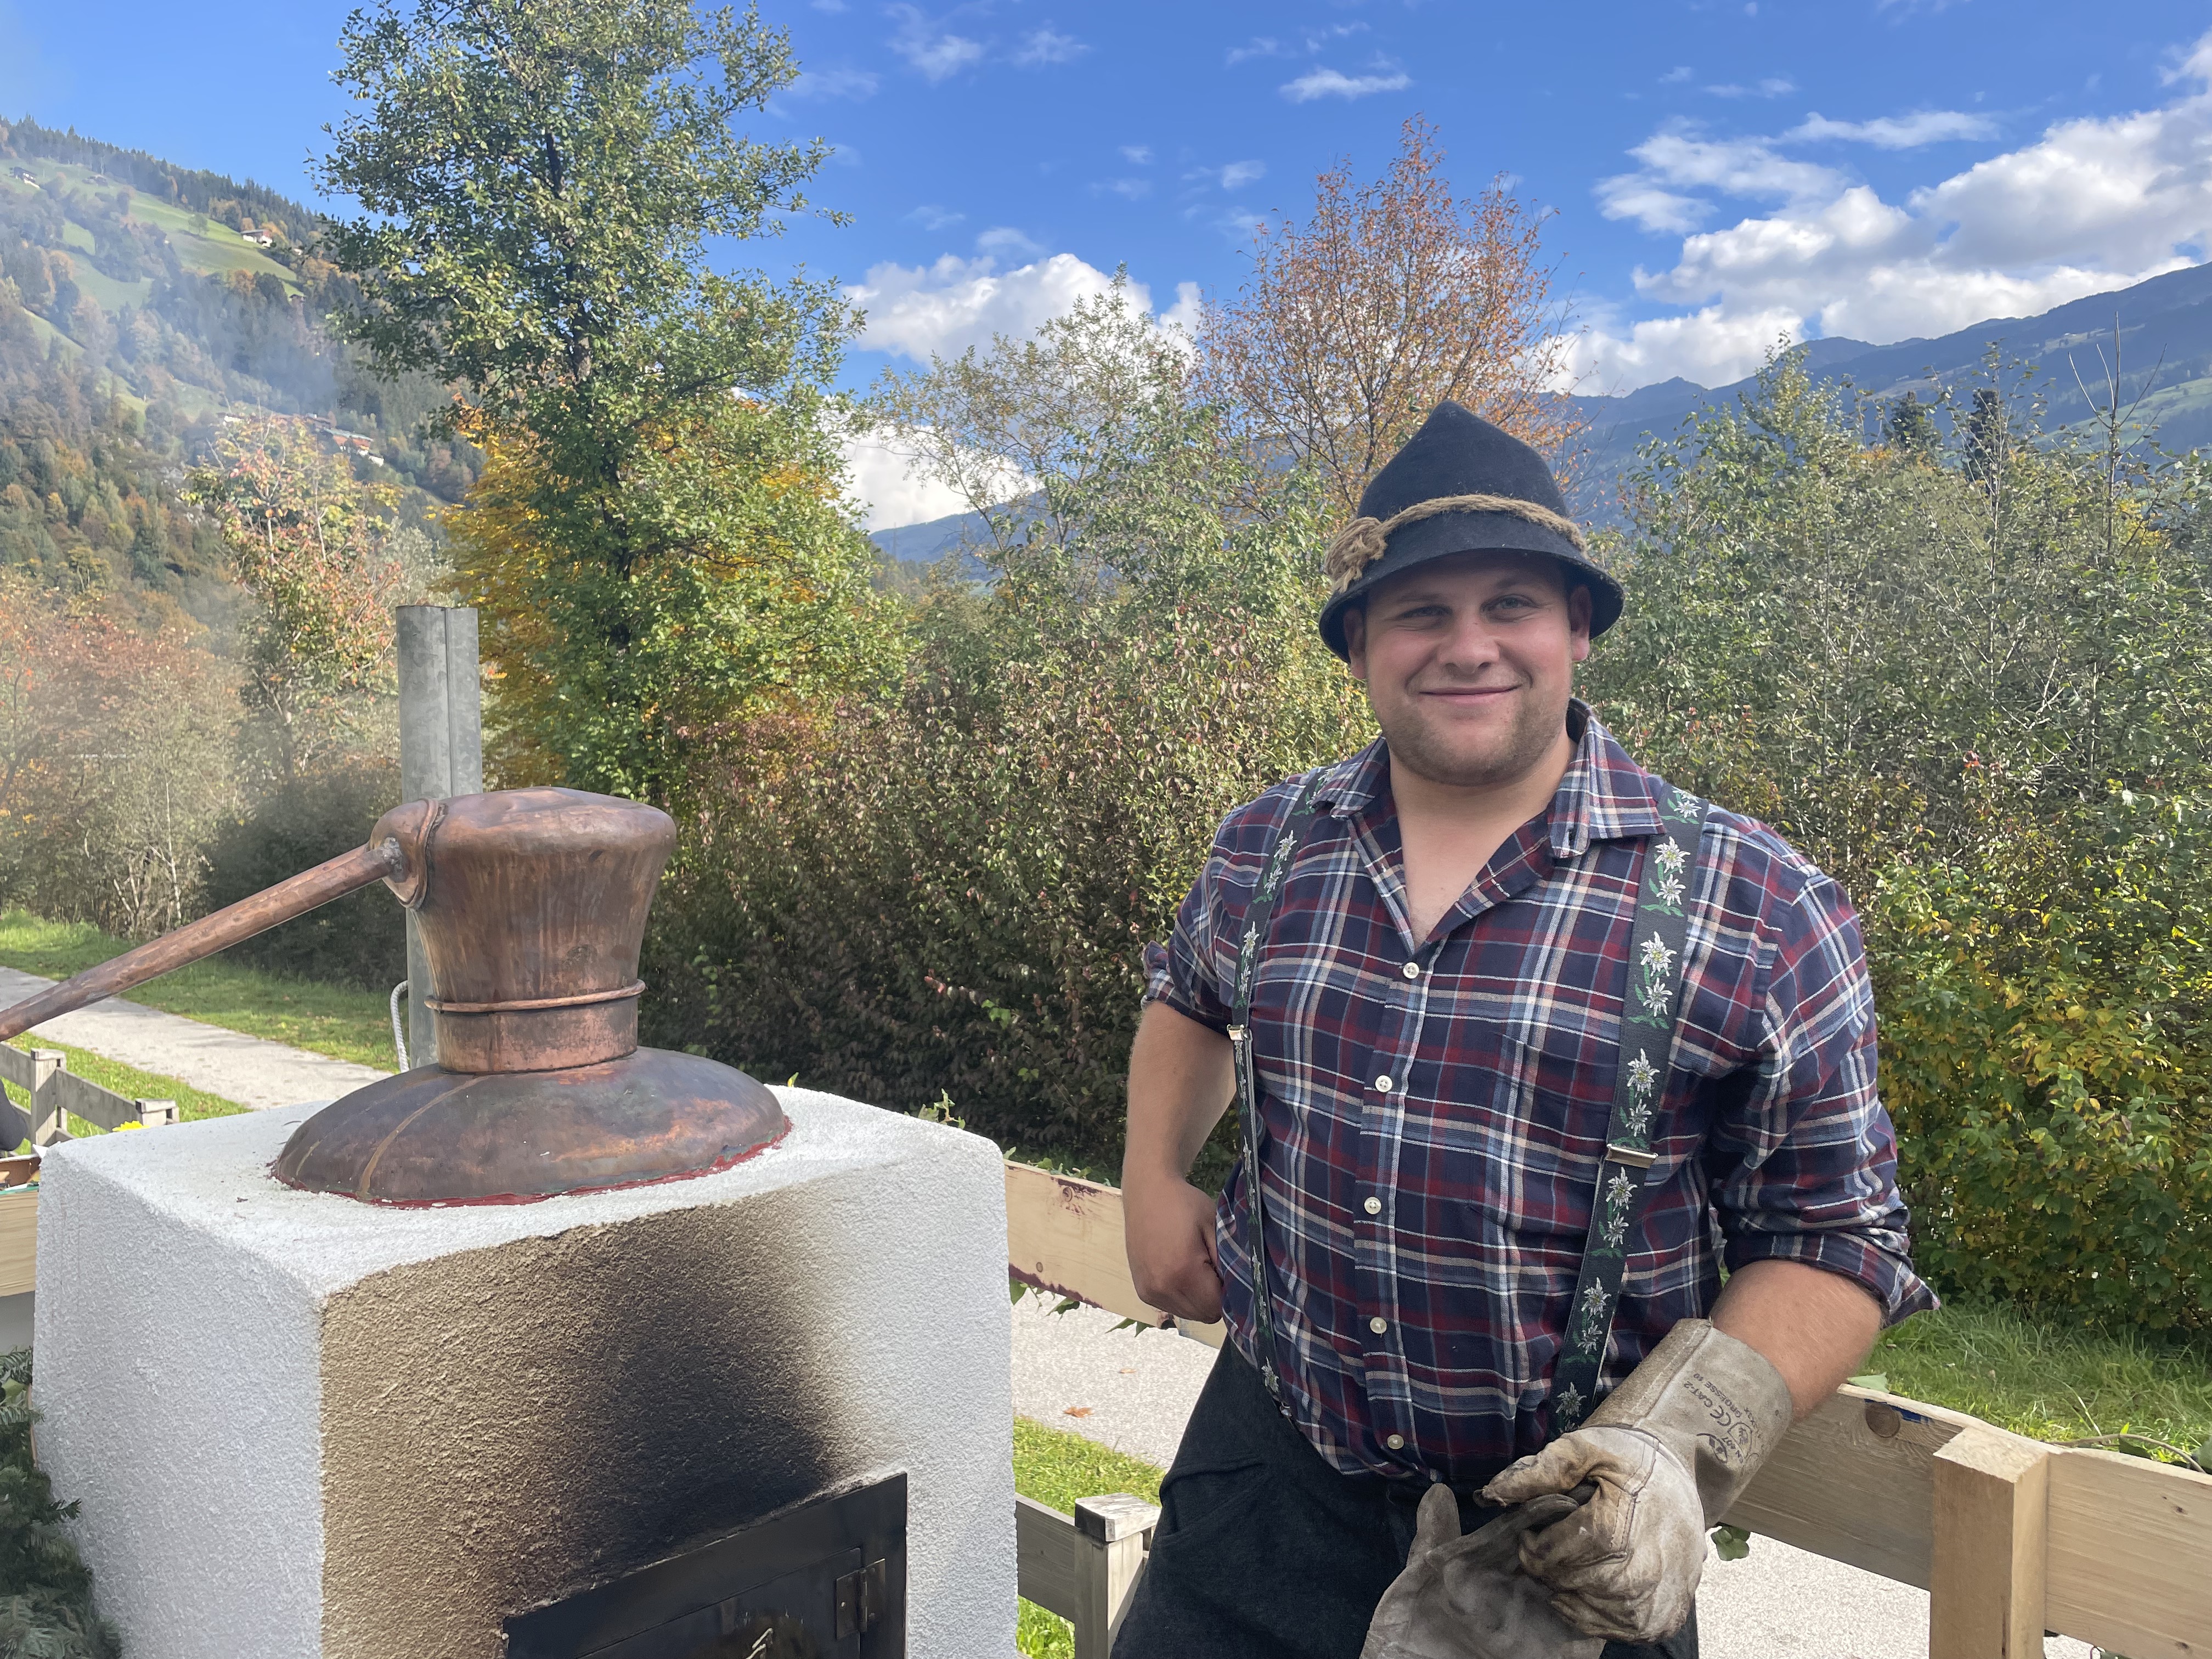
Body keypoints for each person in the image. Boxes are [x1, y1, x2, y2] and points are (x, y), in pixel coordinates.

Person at [1113, 403, 1933, 1659]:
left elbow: (1836, 1237)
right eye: (1420, 613)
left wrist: (1674, 1453)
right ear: (1359, 646)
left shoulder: (1756, 903)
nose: (1469, 646)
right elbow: (1189, 996)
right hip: (1258, 1499)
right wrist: (1151, 1175)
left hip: (1561, 1567)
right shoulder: (1269, 843)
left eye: (1511, 605)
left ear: (1578, 628)